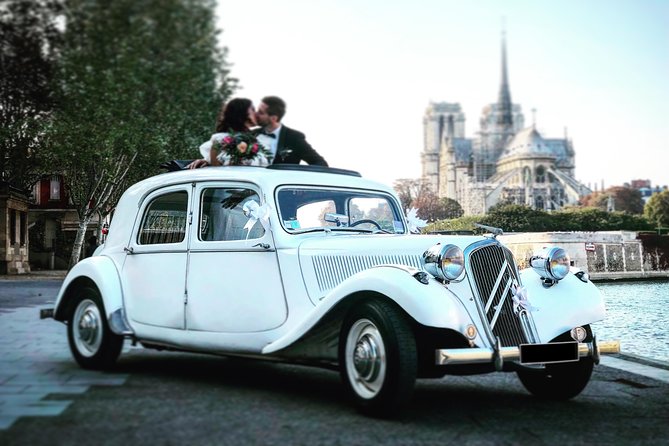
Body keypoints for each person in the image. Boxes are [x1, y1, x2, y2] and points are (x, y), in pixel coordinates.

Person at [188, 98, 272, 169]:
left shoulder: (258, 137)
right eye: (253, 109)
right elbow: (216, 169)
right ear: (242, 112)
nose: (256, 113)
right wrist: (207, 161)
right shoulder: (221, 139)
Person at [255, 96, 328, 166]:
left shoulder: (294, 138)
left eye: (261, 112)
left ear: (274, 118)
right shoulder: (252, 134)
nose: (256, 114)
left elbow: (320, 163)